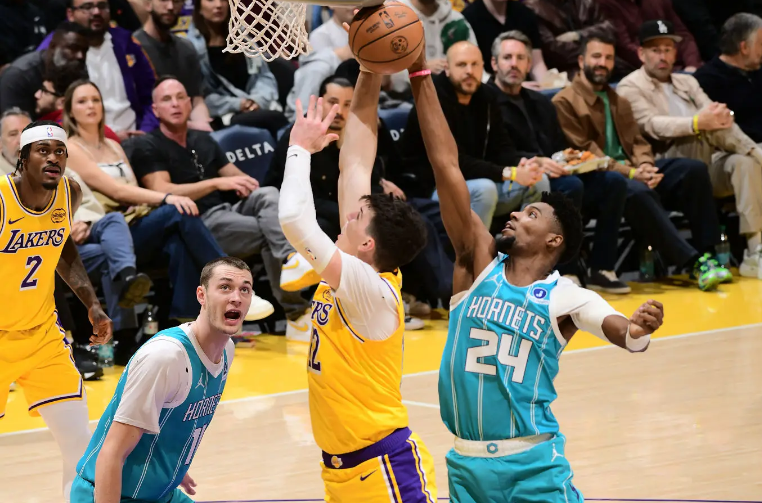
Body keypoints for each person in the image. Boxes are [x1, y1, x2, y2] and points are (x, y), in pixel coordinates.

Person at [403, 44, 665, 503]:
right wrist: (420, 75)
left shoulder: (566, 296)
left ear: (553, 240)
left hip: (534, 465)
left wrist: (639, 329)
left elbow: (623, 333)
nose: (515, 215)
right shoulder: (476, 264)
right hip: (465, 465)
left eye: (532, 214)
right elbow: (446, 164)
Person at [278, 77, 437, 502]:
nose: (347, 217)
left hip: (384, 469)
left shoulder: (368, 286)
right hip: (342, 471)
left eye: (355, 219)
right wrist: (369, 71)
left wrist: (299, 149)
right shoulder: (362, 264)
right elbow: (355, 164)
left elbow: (294, 221)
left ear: (368, 244)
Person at [132, 77, 317, 339]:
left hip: (227, 211)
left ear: (190, 103)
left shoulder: (203, 139)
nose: (175, 104)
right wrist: (217, 183)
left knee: (267, 194)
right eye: (167, 99)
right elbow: (162, 190)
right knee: (271, 231)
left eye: (180, 97)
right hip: (197, 222)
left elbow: (236, 176)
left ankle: (290, 260)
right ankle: (295, 312)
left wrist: (245, 183)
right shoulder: (148, 144)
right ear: (155, 109)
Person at [553, 31, 732, 291]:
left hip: (631, 171)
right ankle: (693, 261)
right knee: (633, 190)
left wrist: (646, 165)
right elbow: (587, 152)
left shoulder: (618, 99)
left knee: (692, 170)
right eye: (596, 56)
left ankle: (709, 252)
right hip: (598, 179)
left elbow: (637, 141)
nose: (603, 63)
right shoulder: (564, 101)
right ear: (581, 61)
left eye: (608, 58)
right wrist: (632, 172)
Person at [70, 256, 251, 503]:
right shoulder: (165, 358)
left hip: (160, 493)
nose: (236, 297)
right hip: (109, 493)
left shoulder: (226, 350)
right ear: (202, 295)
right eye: (225, 287)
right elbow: (111, 454)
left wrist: (169, 467)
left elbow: (175, 419)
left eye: (245, 290)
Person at [0, 120, 113, 500]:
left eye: (60, 151)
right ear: (22, 158)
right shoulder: (1, 199)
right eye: (43, 151)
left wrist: (92, 304)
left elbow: (63, 246)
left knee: (82, 452)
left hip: (43, 338)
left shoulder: (69, 192)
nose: (53, 158)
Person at [617, 20, 762, 279]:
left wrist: (746, 146)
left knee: (744, 162)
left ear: (676, 53)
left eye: (668, 49)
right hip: (664, 168)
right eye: (655, 50)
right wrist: (696, 123)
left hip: (706, 163)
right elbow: (651, 125)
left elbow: (718, 118)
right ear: (641, 53)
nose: (663, 56)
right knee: (706, 130)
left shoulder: (688, 82)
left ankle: (755, 250)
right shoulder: (630, 86)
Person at [489, 30, 630, 292]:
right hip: (516, 177)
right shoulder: (486, 101)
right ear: (494, 63)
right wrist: (535, 161)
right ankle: (566, 271)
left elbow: (558, 147)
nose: (514, 64)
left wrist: (571, 160)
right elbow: (493, 152)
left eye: (521, 58)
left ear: (529, 65)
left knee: (613, 182)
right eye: (507, 58)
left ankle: (602, 267)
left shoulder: (540, 102)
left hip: (556, 173)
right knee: (571, 187)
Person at [400, 41, 547, 228]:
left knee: (538, 180)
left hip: (478, 180)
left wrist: (521, 164)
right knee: (485, 188)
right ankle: (475, 248)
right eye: (462, 65)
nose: (469, 71)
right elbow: (453, 162)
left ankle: (522, 243)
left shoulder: (486, 95)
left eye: (475, 64)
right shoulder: (431, 99)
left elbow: (501, 146)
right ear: (447, 69)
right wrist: (509, 172)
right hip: (433, 188)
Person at [37, 0, 159, 137]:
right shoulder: (54, 48)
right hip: (82, 141)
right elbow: (49, 111)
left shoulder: (126, 42)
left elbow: (151, 95)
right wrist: (109, 138)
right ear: (70, 14)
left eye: (102, 6)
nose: (96, 12)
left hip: (136, 137)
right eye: (87, 7)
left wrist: (146, 130)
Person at [133, 0, 213, 130]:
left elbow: (196, 100)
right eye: (163, 0)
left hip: (187, 130)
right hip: (149, 131)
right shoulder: (132, 50)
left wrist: (203, 125)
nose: (170, 7)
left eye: (176, 1)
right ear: (148, 4)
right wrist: (190, 126)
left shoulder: (186, 48)